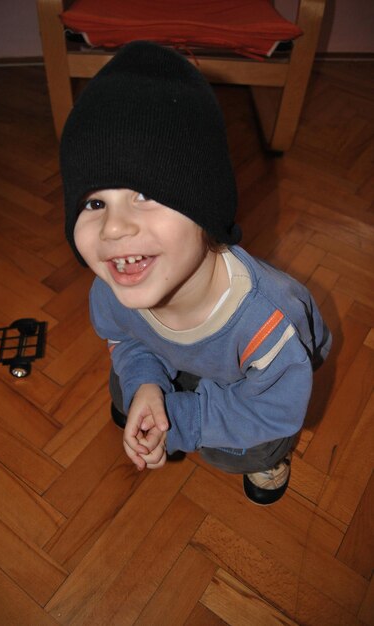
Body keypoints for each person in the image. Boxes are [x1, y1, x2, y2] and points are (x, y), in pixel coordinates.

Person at [60, 41, 331, 506]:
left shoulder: (267, 323)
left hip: (262, 386)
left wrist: (183, 420)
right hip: (177, 357)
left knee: (240, 449)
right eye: (94, 202)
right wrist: (147, 383)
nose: (114, 226)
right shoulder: (114, 285)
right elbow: (125, 339)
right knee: (127, 387)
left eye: (144, 192)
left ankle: (269, 459)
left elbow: (275, 408)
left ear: (205, 207)